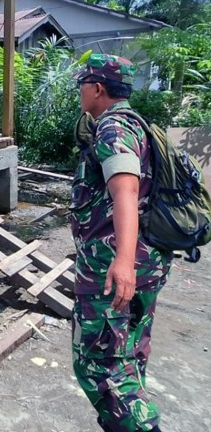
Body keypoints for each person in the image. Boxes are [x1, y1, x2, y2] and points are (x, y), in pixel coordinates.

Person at [70, 54, 171, 432]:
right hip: (148, 260)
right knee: (129, 356)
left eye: (82, 84)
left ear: (97, 88)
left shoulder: (113, 128)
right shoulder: (138, 124)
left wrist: (123, 261)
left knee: (99, 366)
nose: (80, 92)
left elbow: (125, 191)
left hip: (112, 268)